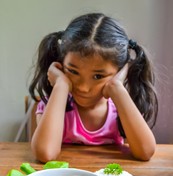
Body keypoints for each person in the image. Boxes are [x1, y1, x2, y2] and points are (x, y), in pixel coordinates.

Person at [29, 12, 158, 163]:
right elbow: (45, 154)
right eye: (73, 71)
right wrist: (61, 85)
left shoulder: (121, 108)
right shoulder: (53, 105)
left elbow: (146, 152)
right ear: (61, 64)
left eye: (98, 76)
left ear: (120, 72)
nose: (83, 87)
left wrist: (117, 87)